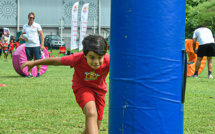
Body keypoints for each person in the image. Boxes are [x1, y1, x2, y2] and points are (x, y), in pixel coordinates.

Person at [21, 35, 109, 134]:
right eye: (92, 58)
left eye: (99, 58)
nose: (96, 62)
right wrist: (34, 63)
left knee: (94, 126)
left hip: (100, 91)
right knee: (91, 112)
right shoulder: (77, 58)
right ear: (85, 55)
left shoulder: (110, 61)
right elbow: (55, 61)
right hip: (82, 87)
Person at [19, 12, 44, 78]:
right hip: (28, 45)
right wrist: (21, 38)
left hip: (36, 45)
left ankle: (38, 74)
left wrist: (42, 45)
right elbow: (22, 35)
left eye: (33, 18)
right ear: (28, 18)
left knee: (38, 60)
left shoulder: (37, 25)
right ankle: (30, 74)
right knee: (29, 60)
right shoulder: (25, 26)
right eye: (30, 17)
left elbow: (41, 34)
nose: (32, 19)